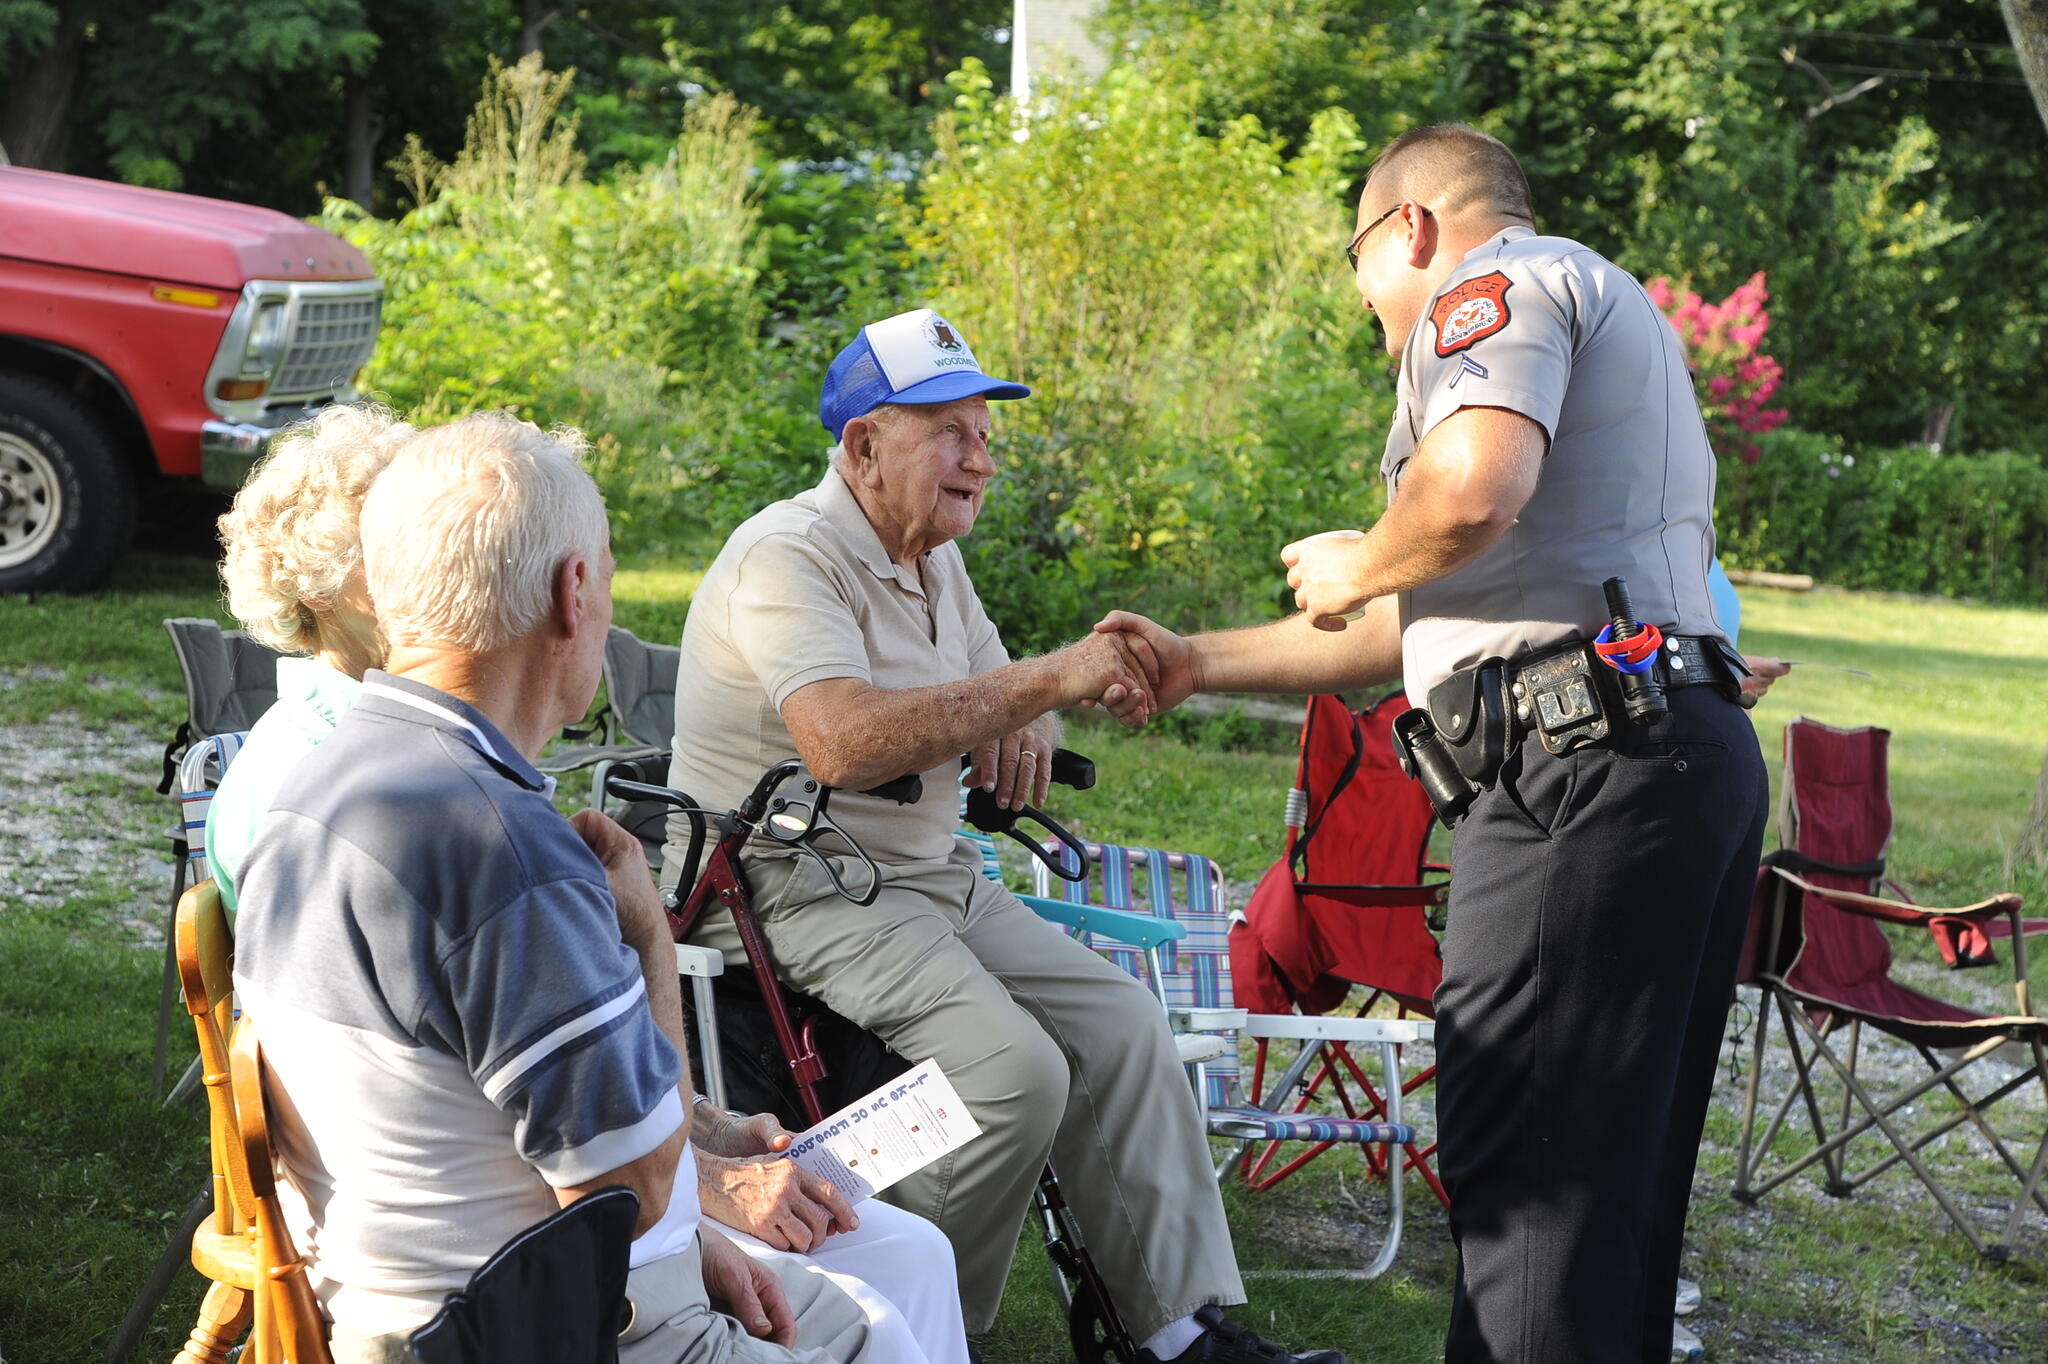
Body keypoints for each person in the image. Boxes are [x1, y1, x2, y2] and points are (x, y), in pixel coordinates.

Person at [1098, 126, 1769, 1364]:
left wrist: (1362, 551)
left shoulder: (1489, 287)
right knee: (1605, 1190)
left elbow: (1466, 493)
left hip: (1579, 766)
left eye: (1357, 270)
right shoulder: (1598, 301)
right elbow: (1426, 615)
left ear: (1405, 226)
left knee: (1526, 1182)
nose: (1366, 307)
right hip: (1663, 750)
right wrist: (1198, 659)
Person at [209, 407, 969, 1364]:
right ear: (574, 594)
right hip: (508, 1324)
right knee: (881, 1341)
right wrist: (650, 933)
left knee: (883, 1302)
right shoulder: (504, 849)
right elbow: (639, 1192)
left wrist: (690, 1236)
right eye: (607, 576)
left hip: (382, 1295)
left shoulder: (318, 782)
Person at [664, 308, 1340, 1364]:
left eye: (983, 431)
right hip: (792, 879)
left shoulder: (933, 559)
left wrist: (1029, 705)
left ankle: (1170, 1333)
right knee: (1011, 1069)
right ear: (863, 447)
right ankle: (921, 1331)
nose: (980, 456)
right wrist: (1046, 678)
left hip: (927, 869)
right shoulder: (788, 555)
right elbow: (839, 740)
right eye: (950, 431)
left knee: (1120, 1023)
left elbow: (1007, 695)